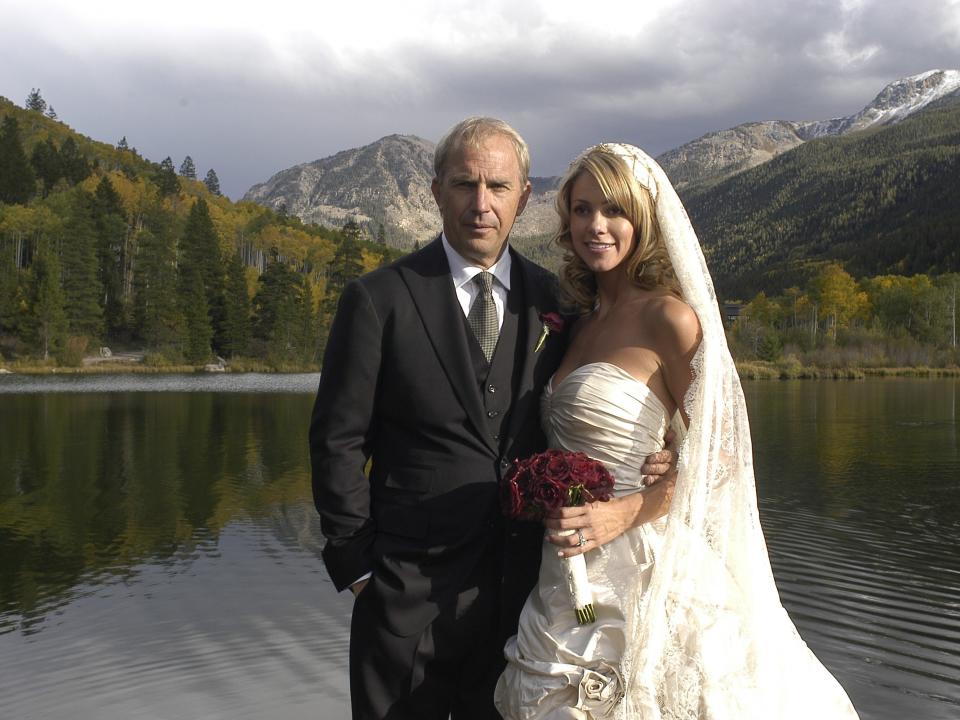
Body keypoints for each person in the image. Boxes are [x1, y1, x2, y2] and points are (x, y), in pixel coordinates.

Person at [309, 119, 677, 720]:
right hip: (405, 596)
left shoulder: (558, 303)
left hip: (527, 598)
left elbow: (628, 398)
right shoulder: (380, 299)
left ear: (524, 196)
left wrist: (669, 455)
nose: (481, 204)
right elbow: (337, 440)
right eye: (464, 184)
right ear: (436, 192)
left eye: (498, 187)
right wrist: (358, 569)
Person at [495, 143, 861, 719]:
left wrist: (628, 507)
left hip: (645, 558)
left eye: (614, 211)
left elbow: (723, 457)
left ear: (643, 219)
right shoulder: (578, 323)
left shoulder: (670, 317)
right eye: (583, 209)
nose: (596, 226)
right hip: (568, 562)